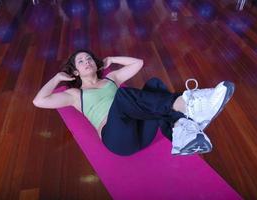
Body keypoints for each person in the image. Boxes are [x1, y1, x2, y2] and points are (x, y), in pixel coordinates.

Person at [33, 49, 234, 156]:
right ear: (76, 71)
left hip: (142, 134)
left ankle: (180, 135)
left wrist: (112, 58)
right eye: (81, 61)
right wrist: (58, 78)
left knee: (154, 84)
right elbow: (39, 101)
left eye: (89, 59)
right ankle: (188, 106)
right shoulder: (75, 94)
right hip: (119, 142)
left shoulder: (112, 78)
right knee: (122, 97)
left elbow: (138, 63)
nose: (87, 62)